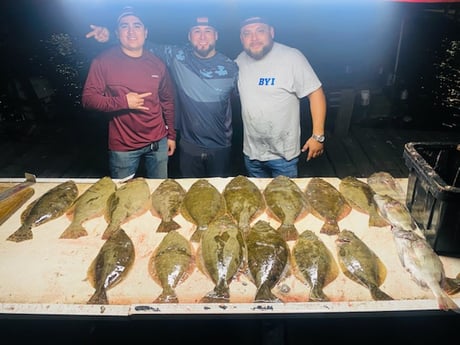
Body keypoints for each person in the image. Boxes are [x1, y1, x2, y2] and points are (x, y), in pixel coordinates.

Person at [86, 15, 238, 178]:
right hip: (189, 145)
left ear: (216, 35)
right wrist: (109, 36)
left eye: (208, 31)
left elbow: (239, 101)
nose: (202, 36)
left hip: (221, 145)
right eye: (196, 31)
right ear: (189, 36)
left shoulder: (232, 66)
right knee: (188, 192)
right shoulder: (177, 56)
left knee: (220, 191)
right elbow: (136, 44)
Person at [82, 7, 176, 180]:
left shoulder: (158, 64)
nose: (131, 31)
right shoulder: (103, 61)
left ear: (145, 32)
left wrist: (171, 136)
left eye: (137, 26)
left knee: (160, 191)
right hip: (123, 147)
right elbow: (88, 100)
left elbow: (167, 101)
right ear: (117, 33)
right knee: (123, 198)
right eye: (125, 26)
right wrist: (123, 102)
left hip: (158, 142)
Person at [236, 16, 327, 178]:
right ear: (242, 38)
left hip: (283, 157)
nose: (254, 38)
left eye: (260, 31)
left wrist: (318, 136)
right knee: (258, 199)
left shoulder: (292, 57)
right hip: (252, 153)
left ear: (271, 32)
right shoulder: (239, 62)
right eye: (247, 33)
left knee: (286, 200)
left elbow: (316, 93)